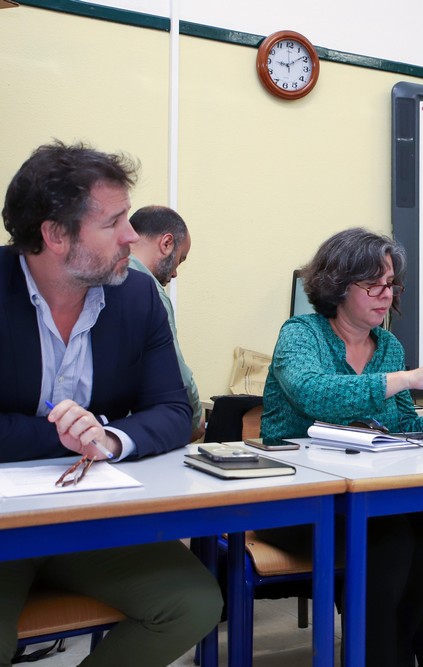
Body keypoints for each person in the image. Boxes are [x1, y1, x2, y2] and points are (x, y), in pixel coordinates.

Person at [0, 141, 222, 666]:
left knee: (192, 603)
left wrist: (110, 438)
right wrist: (61, 434)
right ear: (55, 235)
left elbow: (173, 410)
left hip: (92, 520)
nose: (131, 235)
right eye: (114, 222)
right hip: (5, 523)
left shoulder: (137, 296)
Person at [259, 227, 423, 667]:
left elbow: (403, 424)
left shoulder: (387, 345)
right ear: (337, 285)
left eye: (391, 285)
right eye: (373, 284)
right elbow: (315, 395)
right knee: (387, 542)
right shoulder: (301, 333)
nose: (385, 295)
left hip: (365, 494)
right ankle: (381, 655)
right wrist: (406, 378)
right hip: (297, 497)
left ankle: (388, 652)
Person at [128, 205, 204, 441]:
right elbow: (175, 371)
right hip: (136, 428)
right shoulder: (150, 293)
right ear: (166, 243)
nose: (175, 274)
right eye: (180, 260)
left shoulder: (99, 279)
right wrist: (195, 417)